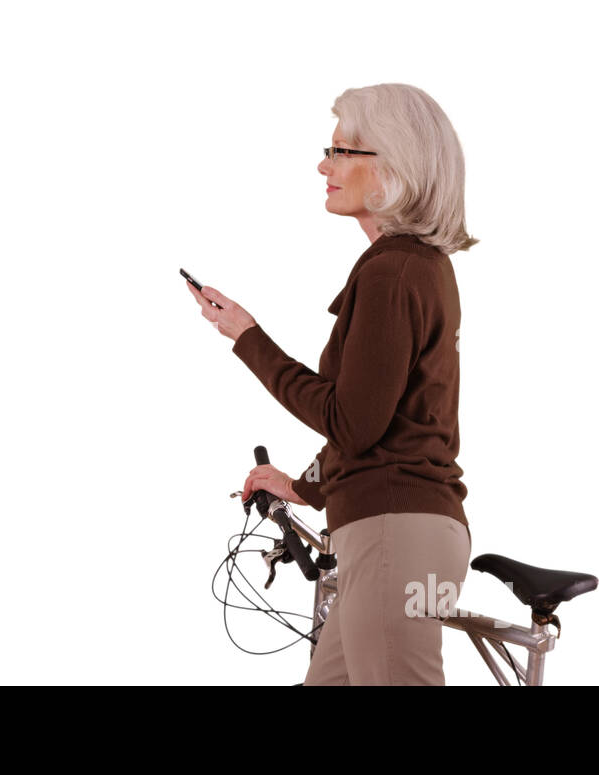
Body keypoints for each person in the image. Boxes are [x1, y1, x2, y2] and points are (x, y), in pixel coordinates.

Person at [185, 83, 477, 685]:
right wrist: (305, 487)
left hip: (396, 531)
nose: (325, 164)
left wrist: (247, 339)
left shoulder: (394, 270)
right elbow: (382, 423)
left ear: (393, 165)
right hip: (397, 526)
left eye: (343, 151)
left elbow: (351, 420)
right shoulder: (408, 268)